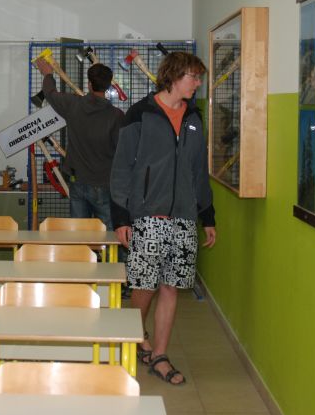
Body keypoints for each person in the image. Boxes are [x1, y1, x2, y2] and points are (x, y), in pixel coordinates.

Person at [110, 51, 217, 386]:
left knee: (171, 286)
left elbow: (198, 171)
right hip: (146, 217)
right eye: (193, 77)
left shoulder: (194, 118)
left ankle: (159, 355)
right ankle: (134, 333)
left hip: (184, 218)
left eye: (199, 77)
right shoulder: (140, 114)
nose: (197, 83)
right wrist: (121, 217)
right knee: (145, 286)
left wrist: (207, 215)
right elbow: (121, 168)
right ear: (173, 76)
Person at [34, 58, 124, 231]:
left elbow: (50, 93)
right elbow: (122, 152)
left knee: (79, 234)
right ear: (108, 86)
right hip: (104, 185)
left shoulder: (73, 104)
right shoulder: (116, 116)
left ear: (89, 84)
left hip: (77, 182)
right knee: (109, 235)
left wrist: (48, 74)